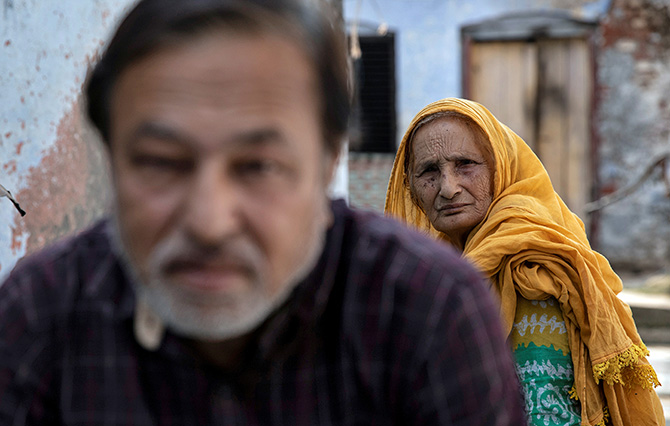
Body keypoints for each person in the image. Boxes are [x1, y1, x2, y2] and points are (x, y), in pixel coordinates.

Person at [0, 2, 526, 424]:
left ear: (325, 166)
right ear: (110, 162)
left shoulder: (428, 312)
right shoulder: (43, 313)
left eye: (259, 166)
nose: (209, 222)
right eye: (161, 164)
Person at [385, 97, 665, 426]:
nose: (448, 188)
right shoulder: (424, 276)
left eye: (466, 164)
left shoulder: (540, 266)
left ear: (499, 168)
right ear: (411, 187)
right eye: (429, 171)